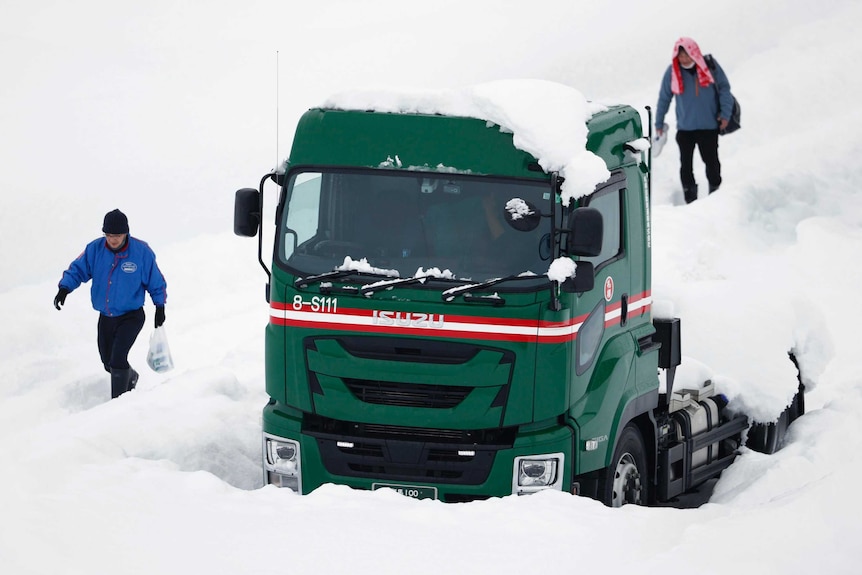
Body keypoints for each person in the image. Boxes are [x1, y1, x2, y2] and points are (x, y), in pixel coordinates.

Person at [53, 209, 168, 399]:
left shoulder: (141, 252)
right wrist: (65, 288)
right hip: (106, 317)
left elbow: (155, 280)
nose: (113, 240)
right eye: (108, 235)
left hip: (131, 316)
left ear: (126, 233)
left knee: (117, 359)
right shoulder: (95, 249)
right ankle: (130, 377)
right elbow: (78, 270)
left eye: (117, 235)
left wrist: (160, 306)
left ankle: (118, 404)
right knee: (107, 362)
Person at [655, 37, 734, 204]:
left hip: (709, 126)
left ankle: (715, 194)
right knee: (686, 166)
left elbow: (725, 89)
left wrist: (725, 115)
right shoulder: (672, 72)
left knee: (711, 162)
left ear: (694, 53)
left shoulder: (709, 67)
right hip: (685, 128)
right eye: (680, 55)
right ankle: (690, 199)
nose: (684, 59)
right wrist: (658, 123)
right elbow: (664, 98)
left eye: (687, 55)